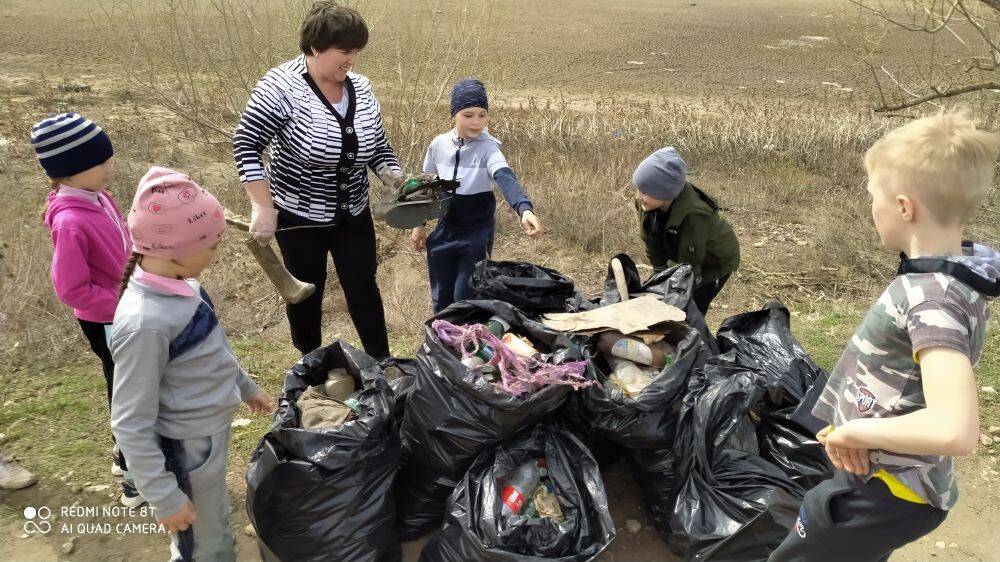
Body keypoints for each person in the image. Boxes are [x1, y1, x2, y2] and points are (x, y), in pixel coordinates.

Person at [769, 112, 1000, 562]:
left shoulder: (934, 298)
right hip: (879, 473)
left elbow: (956, 430)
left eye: (872, 195)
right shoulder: (951, 270)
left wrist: (855, 431)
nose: (870, 206)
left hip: (887, 492)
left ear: (903, 206)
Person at [110, 167, 274, 561]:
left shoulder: (188, 289)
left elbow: (214, 350)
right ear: (175, 248)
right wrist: (164, 497)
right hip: (185, 447)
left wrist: (245, 386)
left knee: (212, 520)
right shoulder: (145, 325)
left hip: (209, 433)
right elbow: (130, 421)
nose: (216, 256)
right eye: (212, 246)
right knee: (202, 543)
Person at [233, 2, 403, 358]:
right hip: (299, 217)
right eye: (344, 51)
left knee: (363, 286)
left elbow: (376, 146)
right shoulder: (281, 87)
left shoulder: (361, 87)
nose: (352, 60)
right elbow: (247, 144)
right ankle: (310, 369)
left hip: (352, 213)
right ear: (314, 47)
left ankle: (382, 364)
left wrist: (394, 176)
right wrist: (262, 206)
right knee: (306, 293)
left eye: (357, 51)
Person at [31, 112, 139, 505]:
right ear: (70, 171)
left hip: (125, 311)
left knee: (126, 385)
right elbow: (71, 288)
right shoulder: (71, 221)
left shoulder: (99, 196)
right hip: (108, 321)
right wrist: (124, 302)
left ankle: (121, 452)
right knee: (132, 395)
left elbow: (120, 243)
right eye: (101, 161)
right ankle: (133, 477)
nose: (111, 165)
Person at [411, 78, 542, 312]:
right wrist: (419, 224)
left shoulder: (489, 149)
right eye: (468, 115)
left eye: (482, 115)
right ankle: (442, 344)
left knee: (465, 300)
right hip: (444, 233)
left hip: (476, 235)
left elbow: (505, 177)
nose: (477, 122)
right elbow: (426, 184)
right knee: (441, 300)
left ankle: (467, 345)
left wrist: (524, 209)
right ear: (455, 114)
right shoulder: (438, 145)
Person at [633, 146, 739, 314]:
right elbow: (650, 241)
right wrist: (659, 274)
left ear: (664, 192)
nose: (638, 195)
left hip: (713, 263)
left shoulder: (694, 214)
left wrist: (674, 292)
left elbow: (688, 265)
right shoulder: (646, 204)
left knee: (691, 309)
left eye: (645, 191)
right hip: (685, 255)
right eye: (638, 189)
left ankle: (696, 335)